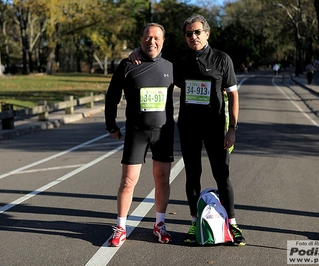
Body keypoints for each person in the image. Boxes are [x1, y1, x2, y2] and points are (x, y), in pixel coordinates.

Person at [128, 14, 245, 246]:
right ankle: (194, 221)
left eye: (197, 32)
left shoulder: (222, 59)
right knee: (192, 176)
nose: (193, 37)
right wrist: (135, 52)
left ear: (207, 33)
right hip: (189, 127)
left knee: (223, 176)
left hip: (215, 128)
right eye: (189, 34)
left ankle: (232, 224)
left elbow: (233, 95)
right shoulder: (179, 60)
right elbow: (153, 52)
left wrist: (232, 128)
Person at [104, 23, 175, 247]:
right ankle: (121, 226)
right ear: (141, 38)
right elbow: (112, 96)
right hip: (137, 132)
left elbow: (196, 80)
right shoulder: (127, 64)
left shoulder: (172, 65)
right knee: (127, 181)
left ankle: (160, 224)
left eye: (156, 38)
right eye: (147, 37)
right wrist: (111, 125)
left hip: (163, 133)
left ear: (163, 41)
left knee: (162, 179)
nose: (151, 41)